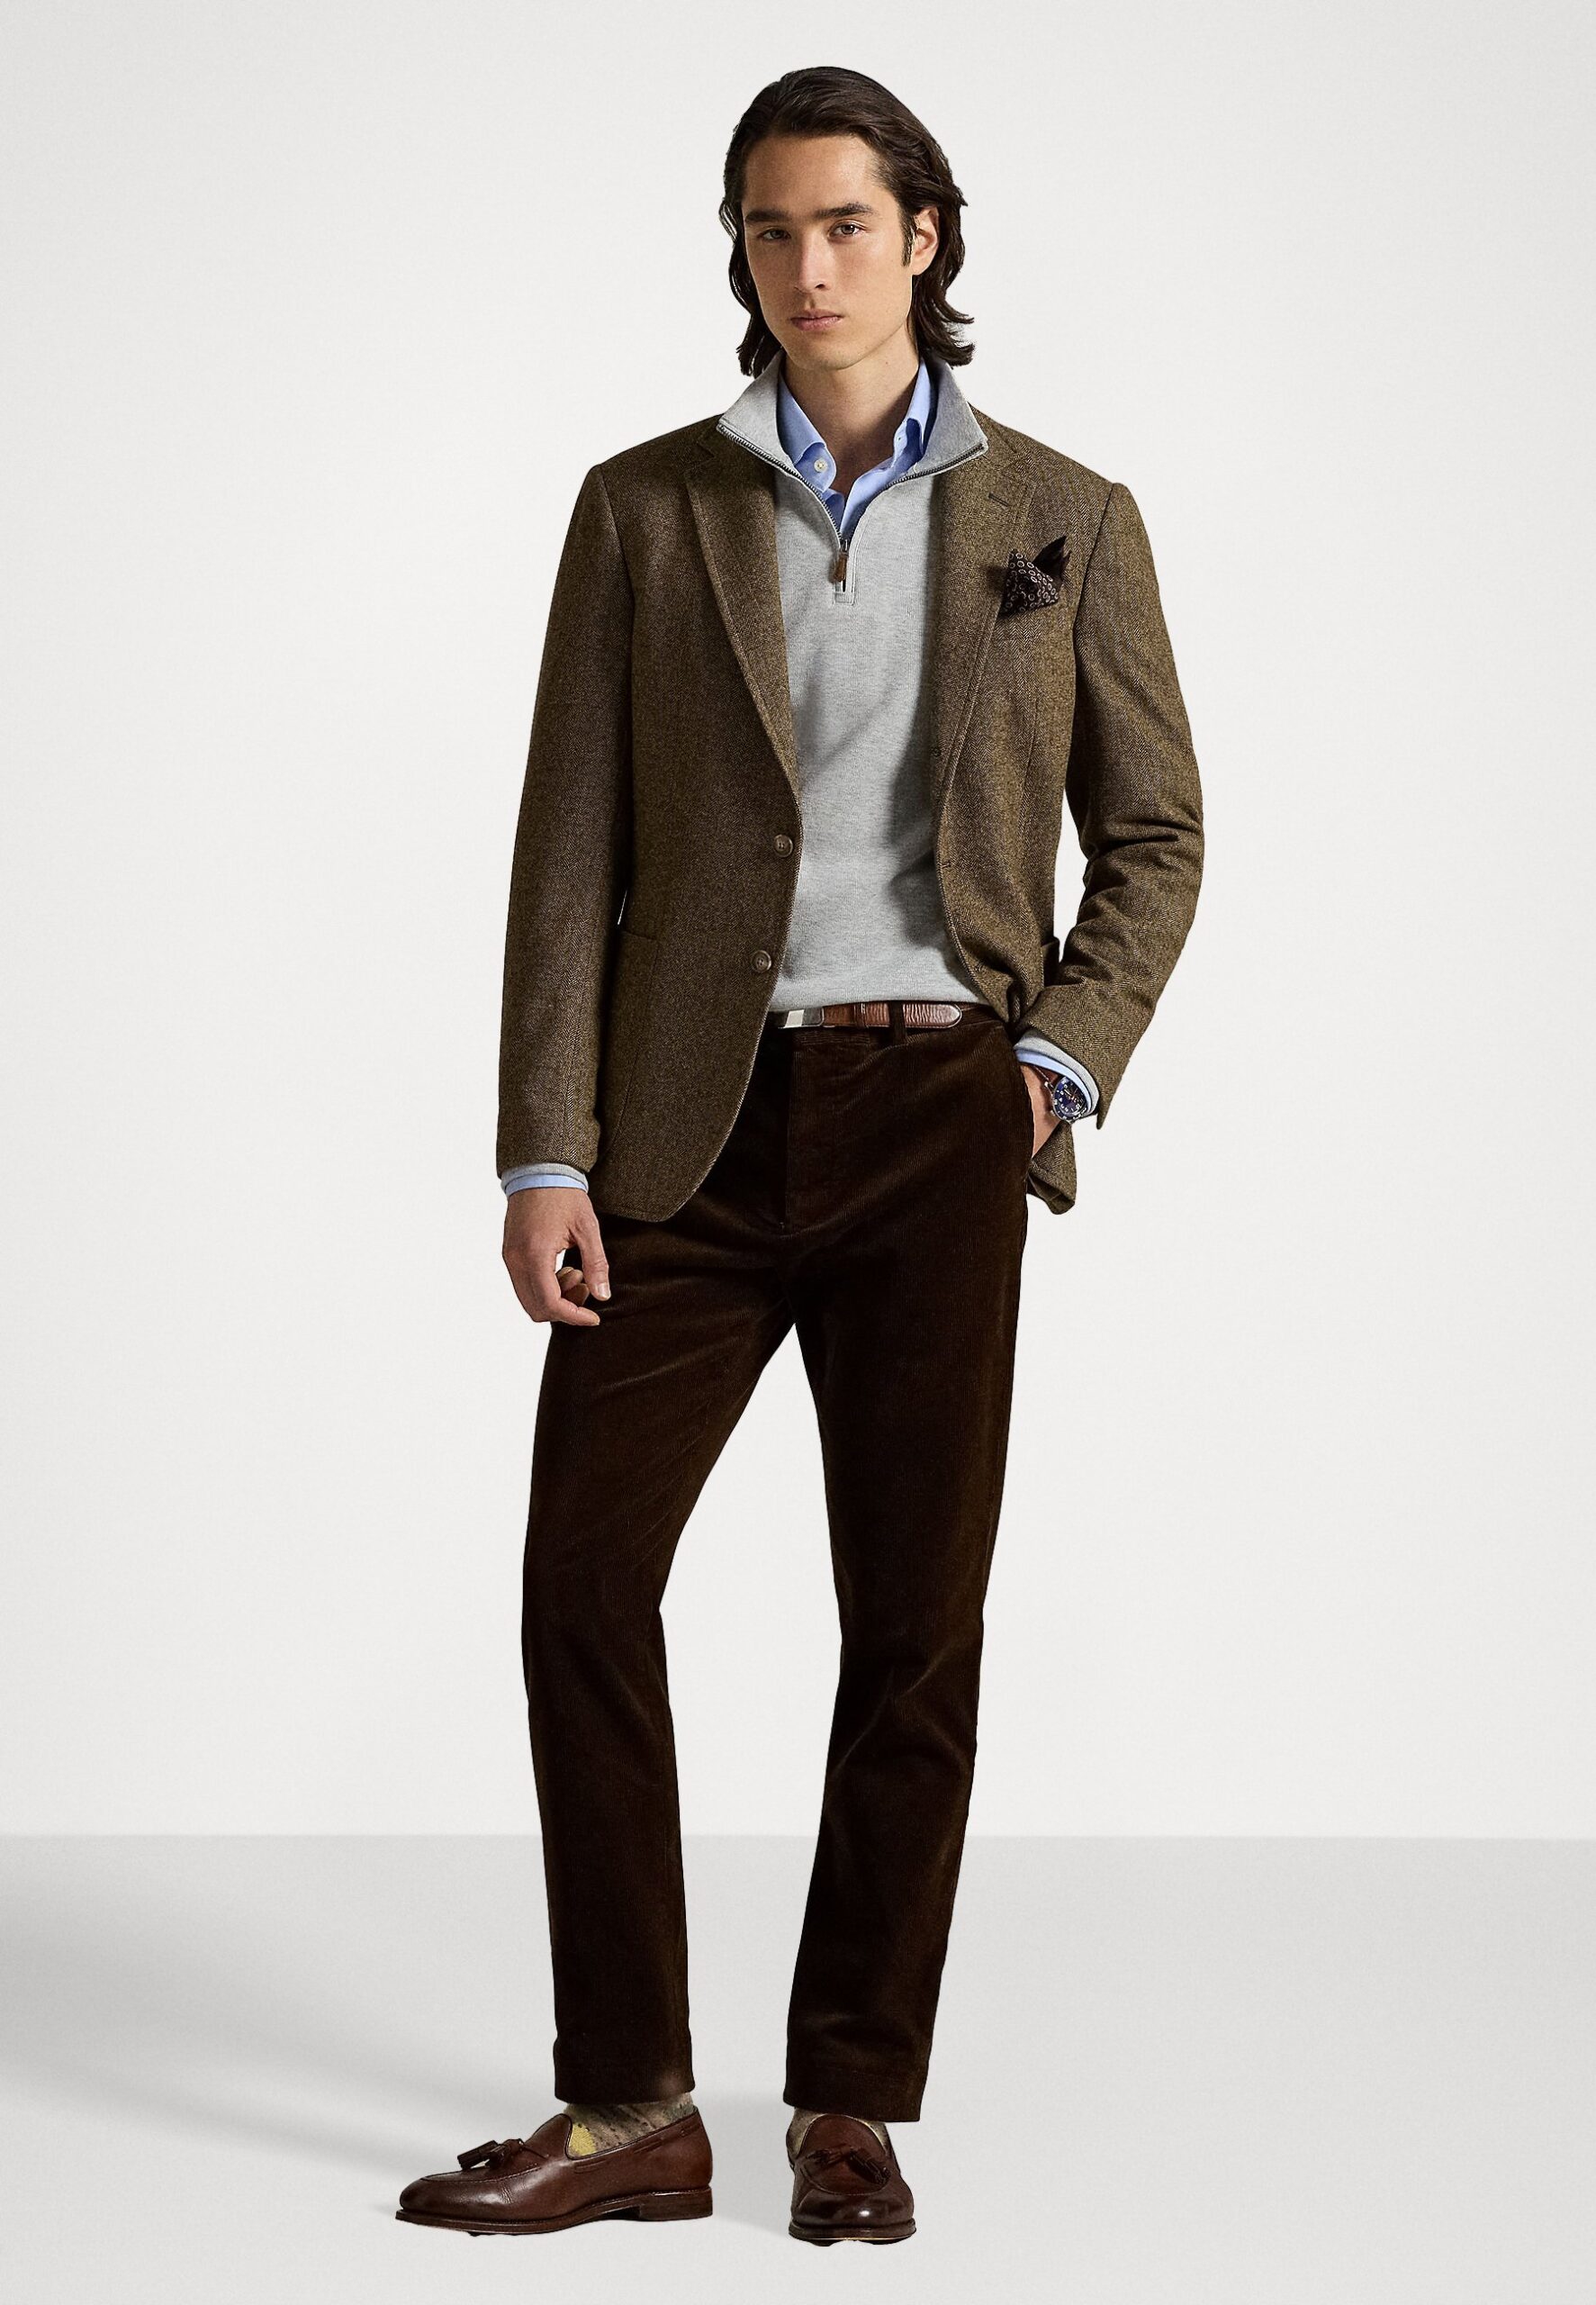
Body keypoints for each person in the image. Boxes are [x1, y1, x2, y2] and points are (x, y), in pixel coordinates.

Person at [396, 63, 1203, 2246]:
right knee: (582, 1584)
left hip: (938, 1110)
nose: (807, 264)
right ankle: (627, 2102)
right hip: (685, 1128)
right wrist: (541, 1152)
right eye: (769, 229)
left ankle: (848, 2098)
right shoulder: (645, 509)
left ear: (921, 237)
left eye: (845, 222)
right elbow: (569, 848)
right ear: (740, 254)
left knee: (911, 1623)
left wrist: (1055, 1065)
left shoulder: (1063, 514)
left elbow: (1152, 831)